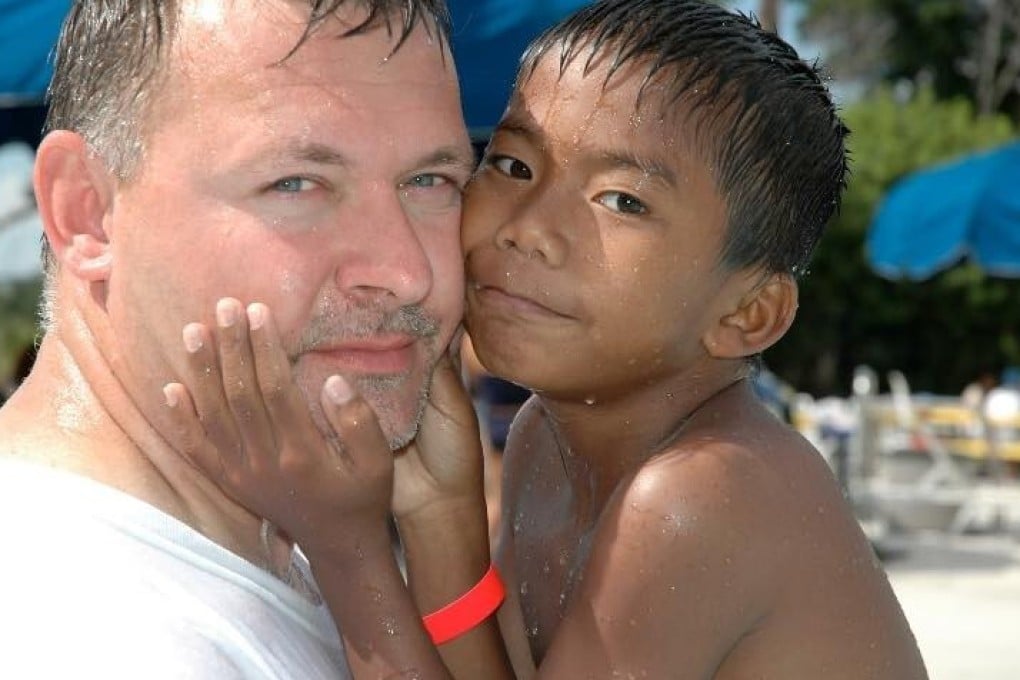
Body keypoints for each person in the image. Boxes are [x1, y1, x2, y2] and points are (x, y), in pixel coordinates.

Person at [167, 0, 929, 677]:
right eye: (512, 163)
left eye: (623, 201)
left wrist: (346, 547)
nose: (529, 228)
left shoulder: (701, 495)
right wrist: (440, 515)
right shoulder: (544, 439)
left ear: (748, 315)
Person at [0, 0, 479, 677]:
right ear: (88, 212)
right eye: (296, 184)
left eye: (431, 181)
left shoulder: (294, 518)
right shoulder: (93, 640)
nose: (406, 272)